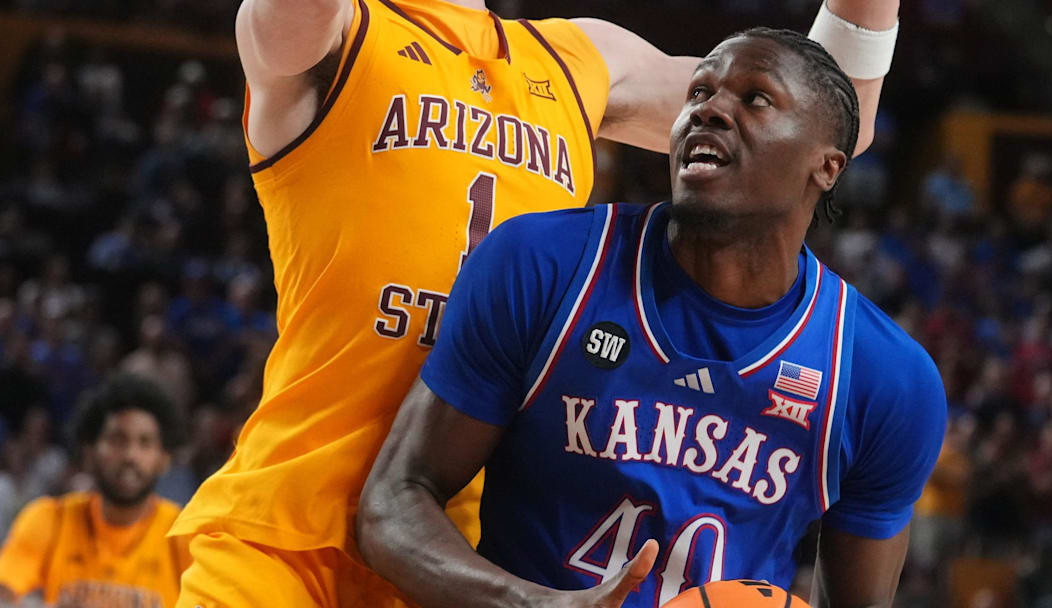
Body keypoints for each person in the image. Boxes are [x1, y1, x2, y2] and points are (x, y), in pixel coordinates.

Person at [170, 0, 902, 605]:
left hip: (452, 559)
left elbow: (821, 112)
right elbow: (278, 25)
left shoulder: (581, 57)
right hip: (282, 533)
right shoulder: (338, 30)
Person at [358, 28, 946, 608]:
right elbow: (393, 500)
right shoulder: (547, 265)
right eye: (698, 92)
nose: (709, 109)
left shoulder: (882, 377)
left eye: (755, 98)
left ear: (827, 167)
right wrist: (528, 604)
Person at [0, 374, 190, 608]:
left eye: (145, 442)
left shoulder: (183, 535)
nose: (130, 455)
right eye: (117, 440)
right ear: (89, 452)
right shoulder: (49, 519)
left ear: (164, 458)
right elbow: (4, 595)